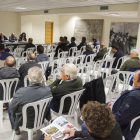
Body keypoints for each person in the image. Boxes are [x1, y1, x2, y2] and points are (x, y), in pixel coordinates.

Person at [41, 101, 122, 140]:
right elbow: (93, 134)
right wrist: (76, 133)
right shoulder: (115, 126)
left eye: (84, 121)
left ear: (89, 128)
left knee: (43, 137)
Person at [9, 66, 52, 135]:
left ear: (28, 78)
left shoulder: (21, 92)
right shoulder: (48, 90)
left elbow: (11, 107)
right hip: (41, 119)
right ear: (41, 78)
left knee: (10, 108)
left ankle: (16, 129)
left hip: (25, 122)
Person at [107, 70, 140, 140]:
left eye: (134, 79)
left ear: (139, 83)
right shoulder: (134, 96)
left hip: (122, 129)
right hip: (128, 120)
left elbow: (119, 119)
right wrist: (115, 103)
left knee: (85, 126)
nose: (132, 80)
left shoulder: (134, 97)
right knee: (108, 103)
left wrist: (104, 116)